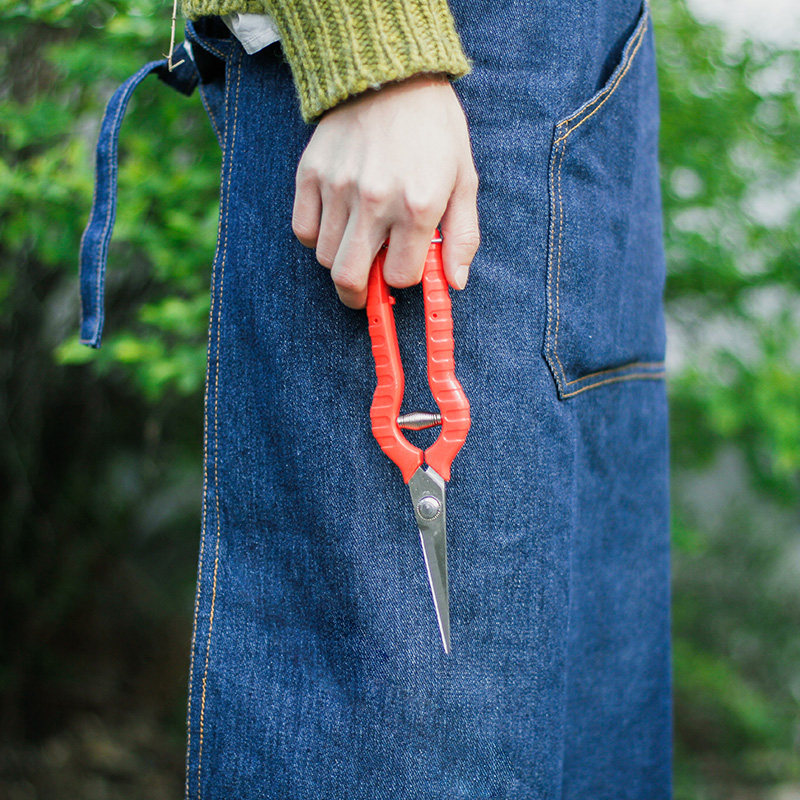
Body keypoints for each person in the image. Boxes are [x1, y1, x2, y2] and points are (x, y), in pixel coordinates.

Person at [79, 0, 672, 796]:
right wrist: (375, 55)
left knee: (584, 711)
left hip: (585, 76)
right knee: (403, 734)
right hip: (421, 87)